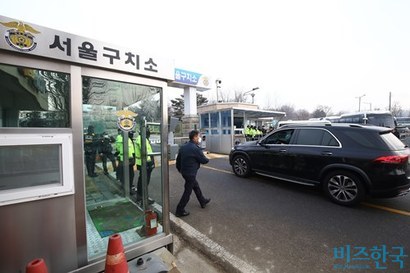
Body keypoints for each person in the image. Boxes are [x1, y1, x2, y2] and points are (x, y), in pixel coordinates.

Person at [175, 130, 211, 217]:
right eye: (198, 136)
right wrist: (207, 157)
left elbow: (178, 161)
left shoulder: (183, 147)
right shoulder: (195, 148)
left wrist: (180, 170)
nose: (199, 138)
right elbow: (204, 161)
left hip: (185, 172)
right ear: (194, 137)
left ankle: (202, 201)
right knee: (187, 192)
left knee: (196, 186)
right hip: (190, 174)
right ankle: (179, 210)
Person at [135, 129, 155, 204]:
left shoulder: (142, 138)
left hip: (143, 162)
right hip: (145, 163)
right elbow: (145, 151)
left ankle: (141, 197)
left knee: (142, 180)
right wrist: (150, 163)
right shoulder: (142, 139)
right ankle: (143, 198)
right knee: (144, 181)